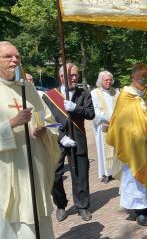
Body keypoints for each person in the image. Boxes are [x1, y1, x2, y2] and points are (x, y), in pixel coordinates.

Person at [0, 41, 60, 238]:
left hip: (35, 164)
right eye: (8, 56)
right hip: (10, 170)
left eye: (17, 56)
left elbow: (45, 116)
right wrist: (11, 123)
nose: (15, 60)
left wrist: (41, 129)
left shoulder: (28, 88)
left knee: (40, 217)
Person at [107, 64, 147, 227]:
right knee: (136, 176)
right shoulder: (125, 95)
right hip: (134, 144)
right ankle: (139, 210)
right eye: (140, 79)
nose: (143, 82)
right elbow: (120, 122)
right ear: (133, 78)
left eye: (145, 78)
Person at [42, 63, 95, 222]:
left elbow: (90, 114)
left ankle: (83, 206)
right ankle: (60, 205)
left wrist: (75, 108)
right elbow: (47, 121)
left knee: (81, 173)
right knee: (56, 174)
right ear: (61, 76)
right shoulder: (49, 96)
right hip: (57, 141)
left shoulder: (84, 93)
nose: (74, 78)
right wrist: (61, 137)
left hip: (78, 138)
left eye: (76, 75)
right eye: (71, 75)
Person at [91, 71, 119, 183]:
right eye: (106, 80)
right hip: (103, 126)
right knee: (104, 149)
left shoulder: (116, 92)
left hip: (116, 126)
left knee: (116, 148)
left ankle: (116, 170)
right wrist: (107, 119)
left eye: (110, 80)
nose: (108, 82)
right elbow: (95, 110)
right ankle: (107, 173)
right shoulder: (94, 93)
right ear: (100, 81)